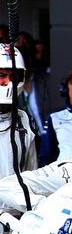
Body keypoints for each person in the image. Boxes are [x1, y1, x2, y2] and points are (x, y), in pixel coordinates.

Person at [0, 44, 39, 179]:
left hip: (15, 198)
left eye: (14, 76)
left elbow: (31, 174)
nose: (8, 82)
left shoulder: (26, 121)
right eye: (2, 75)